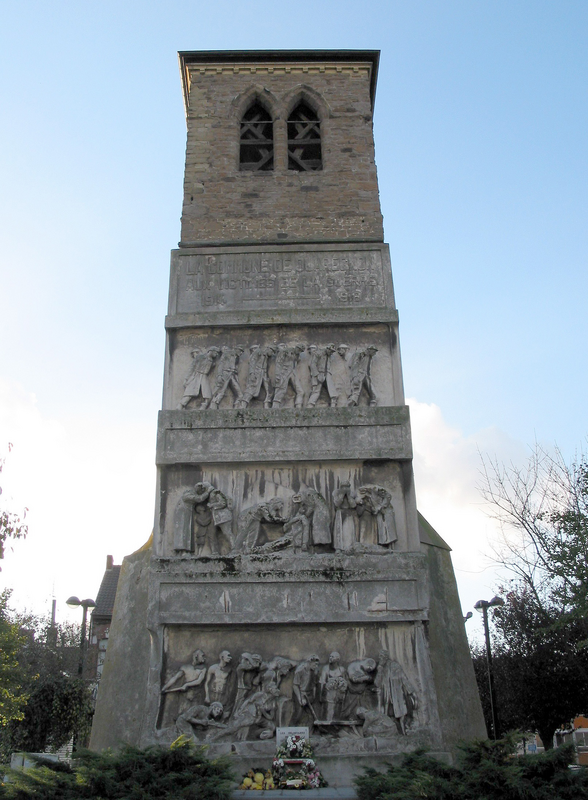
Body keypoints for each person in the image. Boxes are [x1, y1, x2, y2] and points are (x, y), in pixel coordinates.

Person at [374, 650, 418, 735]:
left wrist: (411, 691)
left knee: (401, 714)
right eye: (380, 657)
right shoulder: (381, 668)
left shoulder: (395, 666)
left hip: (397, 694)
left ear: (386, 657)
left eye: (382, 657)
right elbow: (377, 683)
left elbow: (403, 679)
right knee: (387, 716)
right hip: (386, 696)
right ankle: (391, 732)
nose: (380, 658)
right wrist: (380, 670)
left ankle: (404, 730)